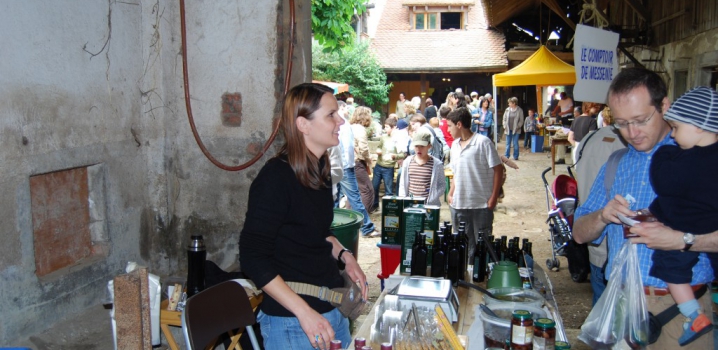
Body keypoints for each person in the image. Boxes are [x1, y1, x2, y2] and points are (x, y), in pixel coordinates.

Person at [573, 67, 714, 349]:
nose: (632, 133)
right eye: (622, 123)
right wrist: (603, 216)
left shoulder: (706, 160)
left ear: (665, 106)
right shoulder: (616, 164)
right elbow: (578, 233)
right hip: (621, 307)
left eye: (640, 120)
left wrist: (684, 241)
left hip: (681, 313)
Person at [239, 83, 369, 350]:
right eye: (331, 115)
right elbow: (252, 256)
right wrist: (304, 312)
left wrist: (346, 256)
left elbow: (318, 232)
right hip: (294, 324)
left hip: (331, 309)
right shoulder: (276, 177)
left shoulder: (318, 167)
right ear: (303, 124)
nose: (341, 120)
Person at [643, 86, 718, 345]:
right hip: (710, 229)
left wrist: (663, 152)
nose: (672, 136)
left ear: (698, 126)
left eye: (675, 128)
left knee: (670, 268)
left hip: (682, 228)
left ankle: (693, 317)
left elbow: (663, 182)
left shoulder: (684, 162)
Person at [573, 115, 627, 306]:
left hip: (594, 234)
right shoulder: (625, 148)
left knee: (600, 302)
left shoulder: (588, 139)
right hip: (611, 246)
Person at [447, 107, 503, 263]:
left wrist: (493, 198)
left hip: (481, 204)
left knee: (482, 244)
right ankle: (466, 275)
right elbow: (456, 173)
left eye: (450, 126)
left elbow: (498, 170)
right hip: (459, 204)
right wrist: (451, 193)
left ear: (459, 124)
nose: (448, 130)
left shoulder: (483, 142)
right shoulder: (454, 146)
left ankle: (481, 277)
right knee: (463, 244)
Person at [336, 103, 378, 237]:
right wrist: (367, 160)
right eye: (345, 108)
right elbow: (357, 148)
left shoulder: (346, 125)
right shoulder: (347, 125)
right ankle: (365, 227)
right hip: (348, 165)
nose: (348, 109)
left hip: (337, 164)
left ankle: (339, 226)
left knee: (337, 198)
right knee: (362, 192)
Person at [397, 131, 446, 206]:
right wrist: (403, 199)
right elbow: (403, 183)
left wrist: (433, 196)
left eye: (422, 146)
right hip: (410, 203)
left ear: (429, 146)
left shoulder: (437, 164)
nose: (419, 149)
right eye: (416, 146)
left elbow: (442, 185)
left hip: (428, 204)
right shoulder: (408, 162)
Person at [371, 116, 403, 212]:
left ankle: (388, 209)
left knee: (388, 190)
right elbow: (379, 147)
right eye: (384, 127)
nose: (385, 129)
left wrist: (395, 157)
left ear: (393, 127)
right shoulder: (383, 138)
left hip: (389, 168)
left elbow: (402, 154)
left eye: (387, 127)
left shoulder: (398, 139)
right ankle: (375, 205)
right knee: (374, 187)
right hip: (379, 165)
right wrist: (378, 151)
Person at [349, 106, 376, 219]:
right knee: (367, 190)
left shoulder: (349, 127)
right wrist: (369, 159)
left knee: (353, 192)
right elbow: (364, 149)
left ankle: (350, 218)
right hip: (357, 163)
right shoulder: (360, 129)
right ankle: (362, 220)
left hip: (349, 163)